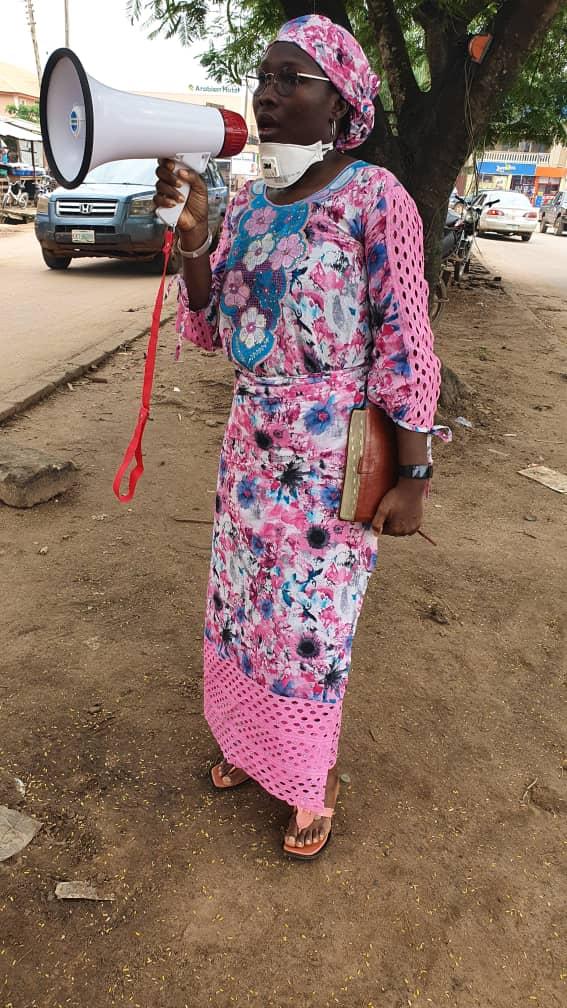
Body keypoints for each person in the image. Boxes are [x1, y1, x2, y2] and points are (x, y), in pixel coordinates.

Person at [154, 14, 449, 860]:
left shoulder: (374, 197)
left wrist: (414, 474)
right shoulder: (249, 203)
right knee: (241, 609)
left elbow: (405, 340)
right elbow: (209, 328)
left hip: (328, 463)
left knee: (307, 629)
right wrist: (196, 239)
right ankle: (249, 746)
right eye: (264, 77)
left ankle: (307, 780)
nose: (269, 94)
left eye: (292, 79)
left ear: (341, 102)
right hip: (248, 450)